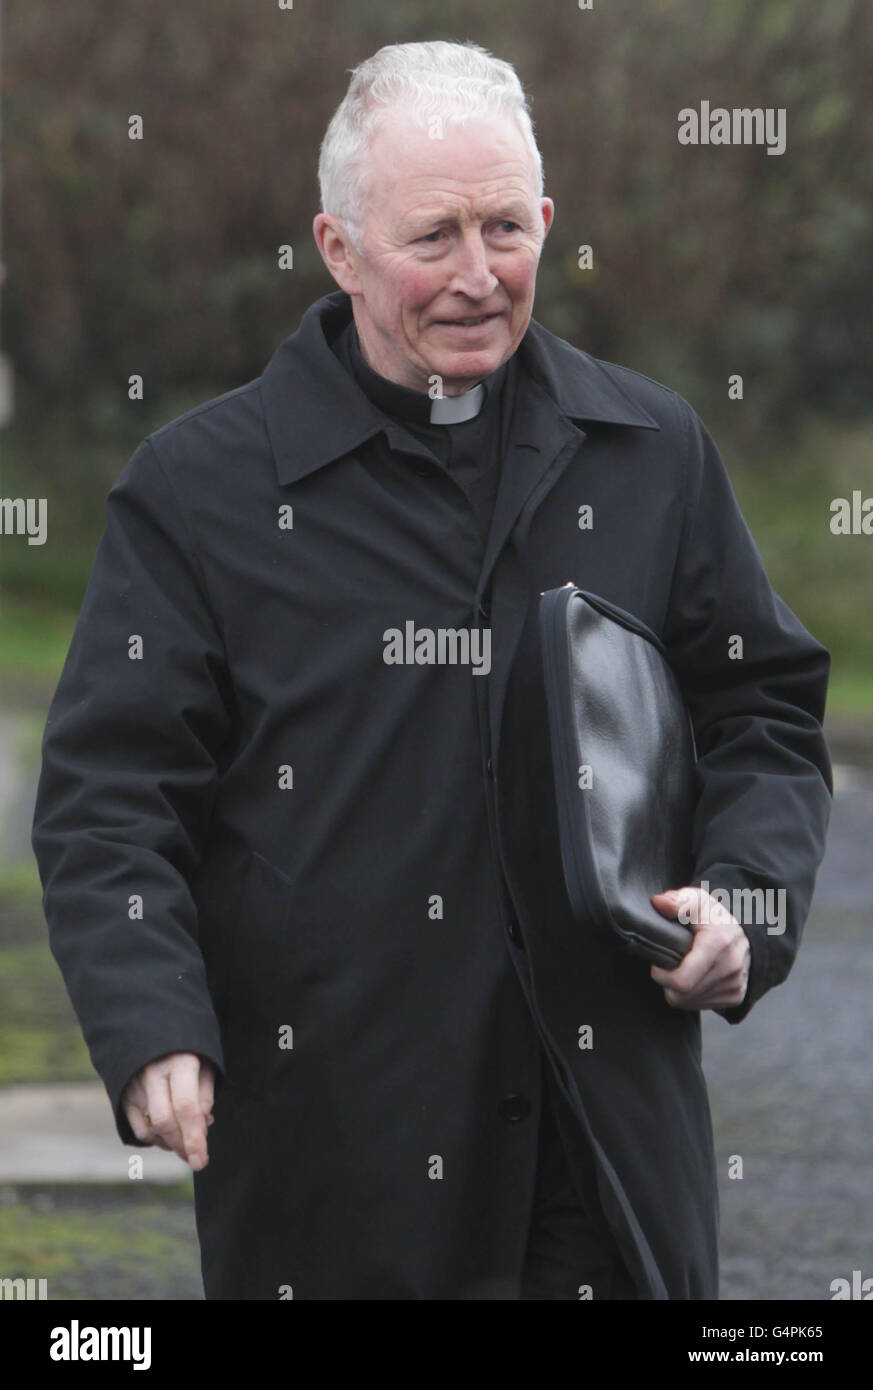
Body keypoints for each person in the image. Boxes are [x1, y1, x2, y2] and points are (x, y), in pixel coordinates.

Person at [31, 40, 832, 1300]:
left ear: (549, 222)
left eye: (507, 227)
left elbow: (763, 713)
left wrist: (747, 900)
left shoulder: (652, 451)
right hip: (335, 1172)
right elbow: (110, 798)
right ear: (340, 248)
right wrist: (153, 1025)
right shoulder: (200, 493)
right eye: (433, 237)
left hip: (606, 1161)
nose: (478, 275)